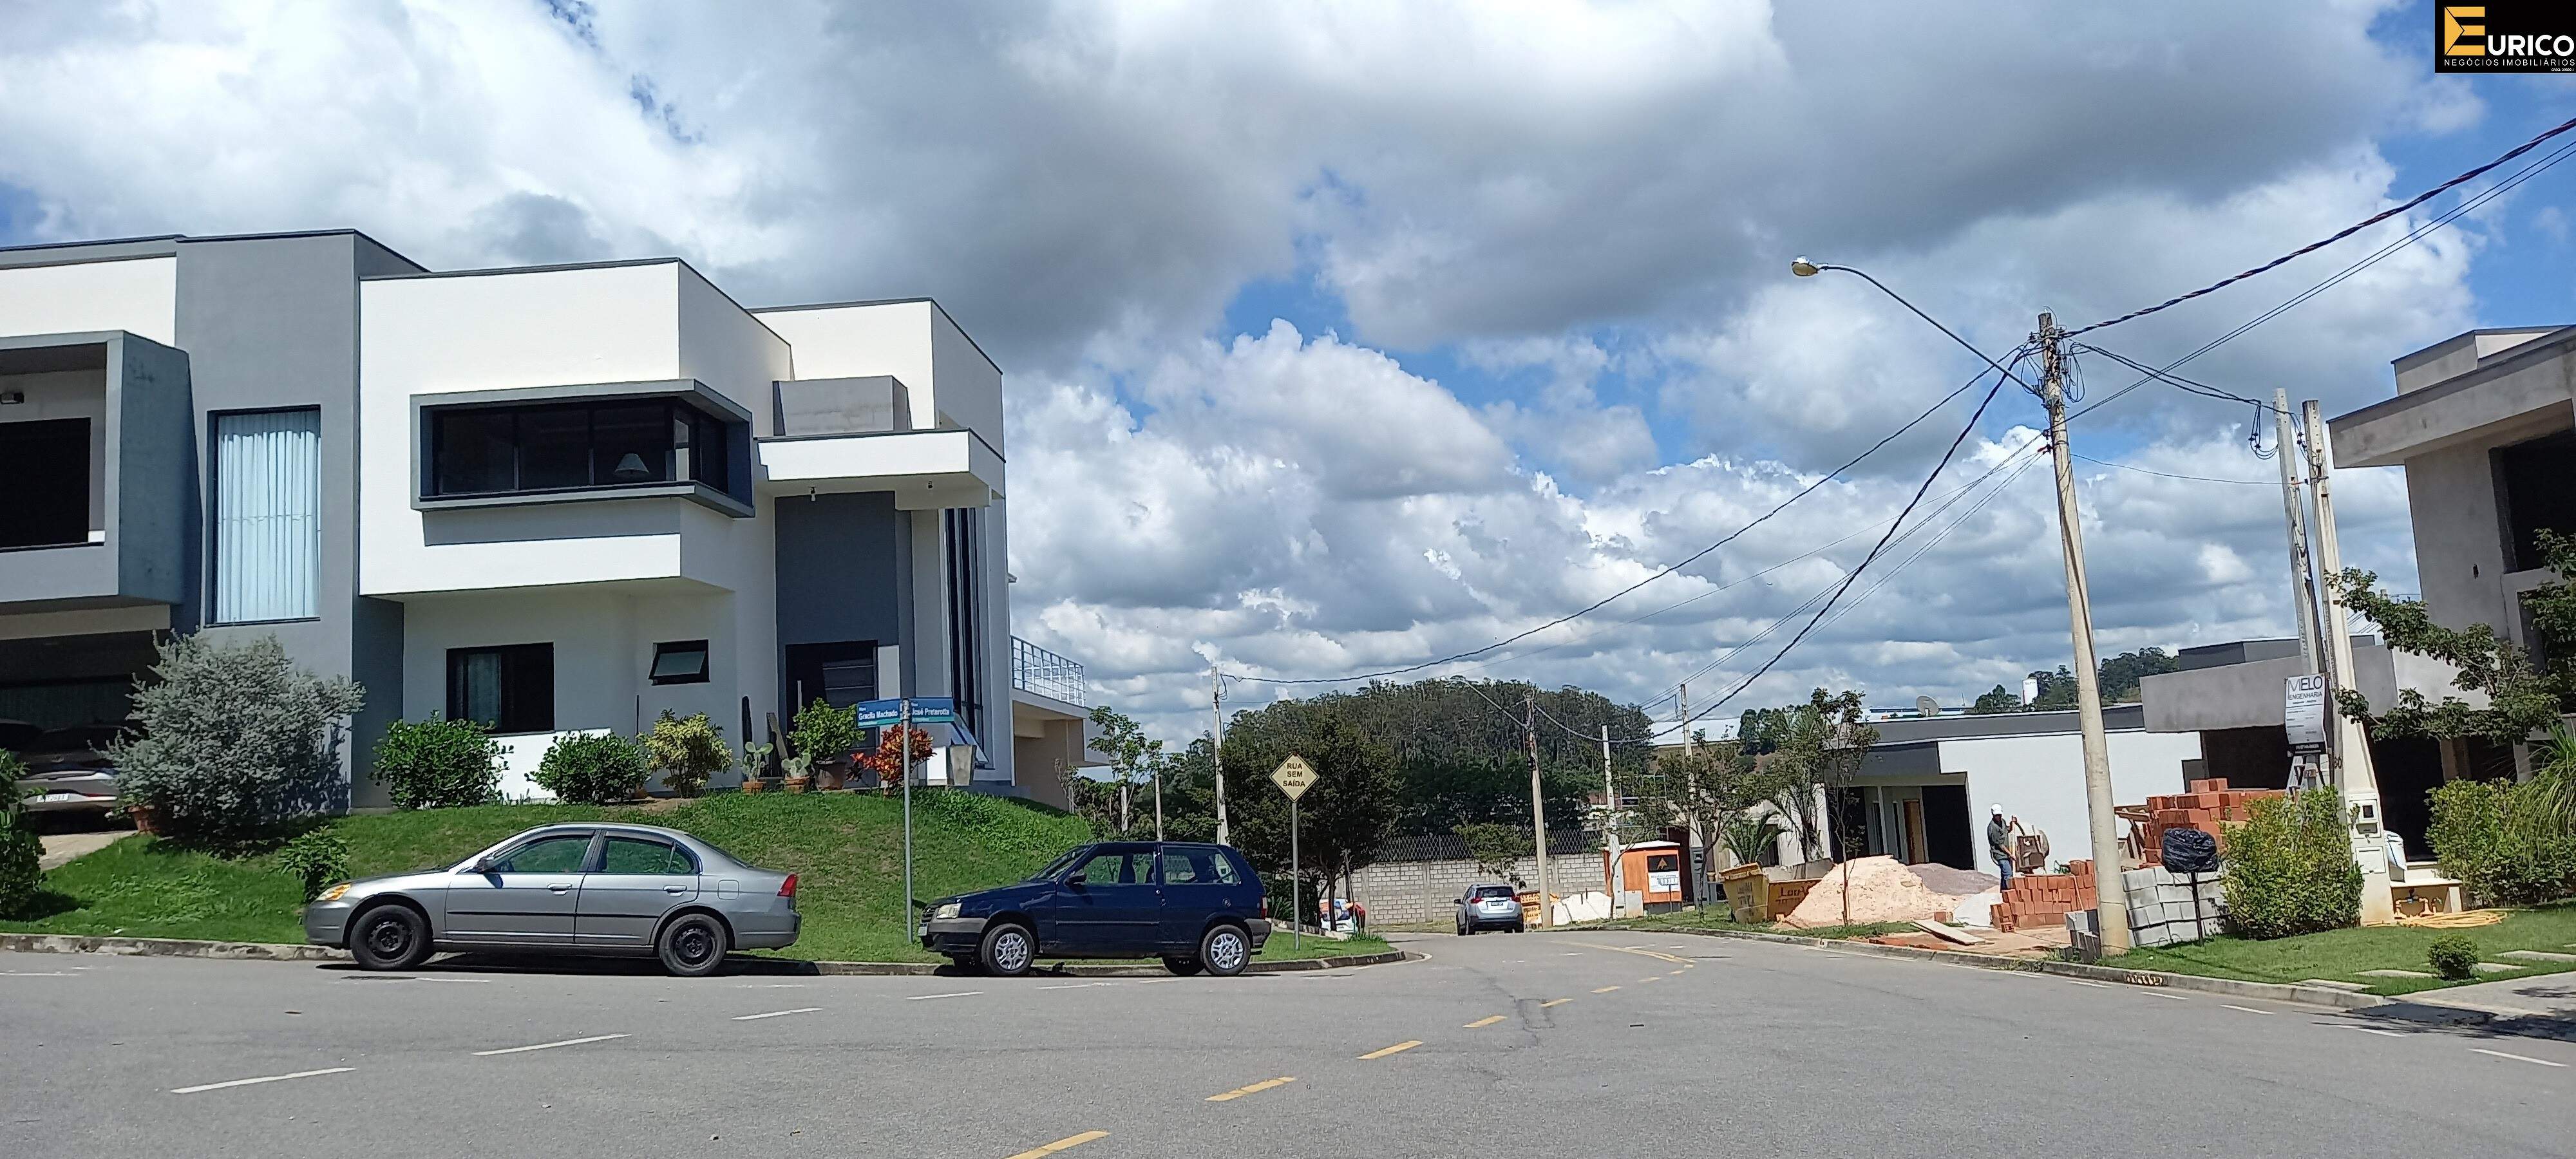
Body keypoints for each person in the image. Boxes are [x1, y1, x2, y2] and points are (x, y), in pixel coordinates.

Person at [1987, 804, 2021, 888]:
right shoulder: (1993, 828)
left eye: (1999, 815)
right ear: (1993, 815)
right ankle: (2010, 893)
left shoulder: (2003, 822)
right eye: (1996, 816)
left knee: (2004, 876)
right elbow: (2000, 845)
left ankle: (2004, 895)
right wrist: (2011, 854)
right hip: (2000, 855)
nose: (1998, 817)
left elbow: (2008, 830)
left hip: (2006, 854)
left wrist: (2012, 823)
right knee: (2008, 874)